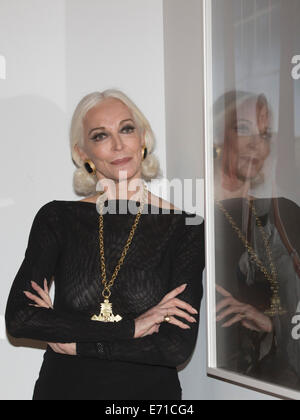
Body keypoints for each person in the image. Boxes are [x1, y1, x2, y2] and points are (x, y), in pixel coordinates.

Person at [5, 89, 205, 400]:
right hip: (62, 391)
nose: (117, 144)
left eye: (126, 129)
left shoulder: (185, 227)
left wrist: (76, 342)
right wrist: (130, 328)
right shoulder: (58, 218)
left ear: (143, 139)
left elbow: (174, 346)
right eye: (100, 135)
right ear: (82, 153)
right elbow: (21, 317)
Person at [213, 90, 300, 390]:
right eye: (242, 128)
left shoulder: (285, 213)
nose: (255, 143)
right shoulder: (192, 218)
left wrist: (271, 324)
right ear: (218, 137)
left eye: (264, 134)